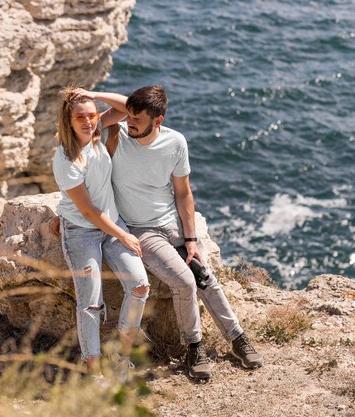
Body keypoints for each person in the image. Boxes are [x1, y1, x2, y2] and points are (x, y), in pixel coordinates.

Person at [55, 85, 263, 380]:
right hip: (139, 229)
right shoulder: (116, 135)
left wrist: (190, 239)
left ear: (159, 119)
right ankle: (194, 347)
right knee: (185, 282)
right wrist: (63, 211)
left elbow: (184, 194)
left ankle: (237, 337)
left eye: (138, 120)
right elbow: (84, 189)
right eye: (129, 118)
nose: (130, 123)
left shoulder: (175, 142)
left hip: (172, 225)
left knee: (204, 276)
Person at [52, 86, 149, 378]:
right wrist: (123, 235)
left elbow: (129, 107)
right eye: (80, 117)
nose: (88, 121)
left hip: (111, 226)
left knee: (140, 286)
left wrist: (93, 92)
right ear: (68, 120)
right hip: (82, 232)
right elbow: (89, 212)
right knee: (91, 302)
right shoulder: (66, 158)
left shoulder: (97, 133)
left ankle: (121, 354)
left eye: (92, 115)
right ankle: (93, 370)